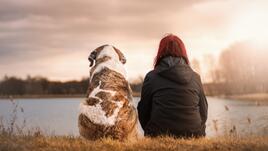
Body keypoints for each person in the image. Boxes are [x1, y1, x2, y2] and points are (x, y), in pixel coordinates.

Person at [137, 34, 208, 138]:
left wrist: (150, 131)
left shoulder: (151, 77)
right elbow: (204, 111)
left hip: (158, 135)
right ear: (183, 52)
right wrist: (195, 130)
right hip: (194, 135)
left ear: (160, 52)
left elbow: (143, 111)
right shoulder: (195, 77)